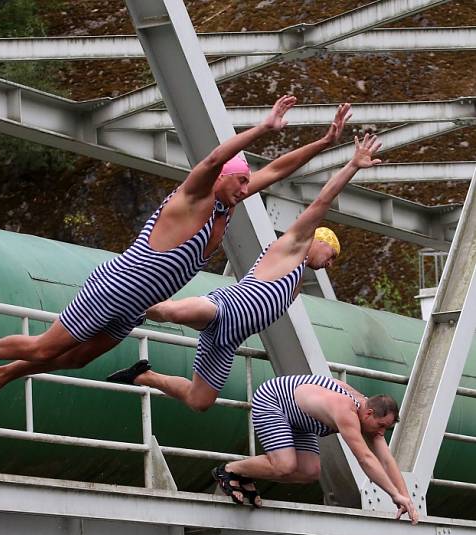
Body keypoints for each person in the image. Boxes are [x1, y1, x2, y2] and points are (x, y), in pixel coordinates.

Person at [0, 98, 352, 417]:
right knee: (45, 348)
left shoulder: (228, 203)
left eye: (247, 183)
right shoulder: (190, 200)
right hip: (115, 287)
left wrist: (325, 142)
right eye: (241, 182)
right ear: (223, 178)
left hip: (135, 306)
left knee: (77, 358)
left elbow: (277, 170)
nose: (246, 190)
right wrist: (263, 127)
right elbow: (212, 159)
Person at [107, 133, 381, 411]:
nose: (330, 264)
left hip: (229, 339)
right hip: (224, 309)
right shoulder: (290, 246)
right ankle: (123, 303)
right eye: (331, 255)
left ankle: (143, 376)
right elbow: (322, 201)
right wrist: (352, 166)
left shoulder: (297, 279)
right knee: (172, 313)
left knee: (200, 401)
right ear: (318, 240)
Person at [211, 373, 419, 525]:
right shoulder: (346, 411)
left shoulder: (367, 411)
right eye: (381, 426)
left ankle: (246, 475)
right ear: (369, 414)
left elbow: (386, 460)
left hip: (301, 418)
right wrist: (393, 495)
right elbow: (365, 458)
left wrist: (405, 498)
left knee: (310, 471)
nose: (381, 433)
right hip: (273, 401)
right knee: (285, 465)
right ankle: (229, 470)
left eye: (386, 428)